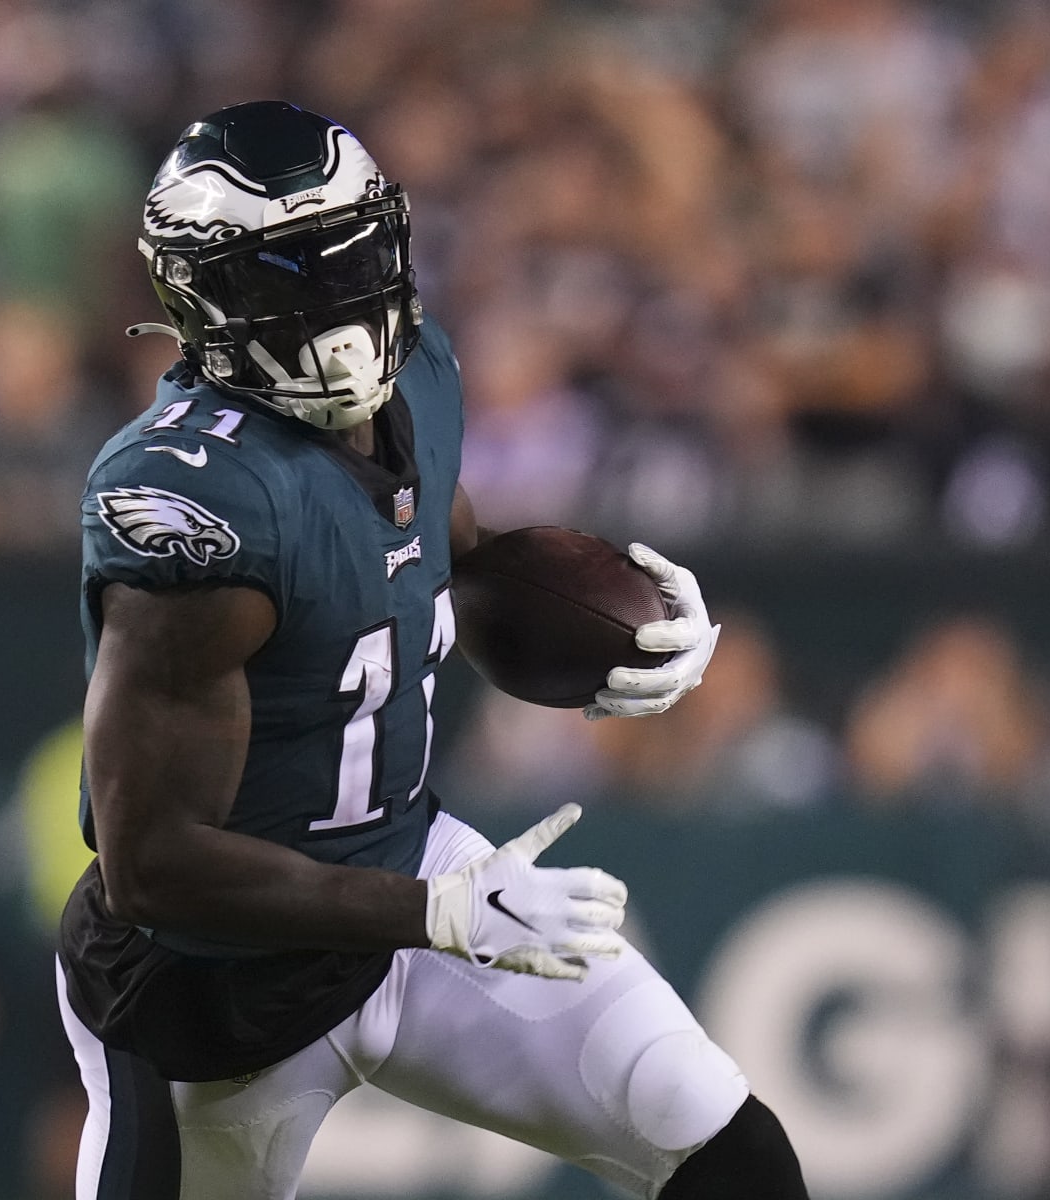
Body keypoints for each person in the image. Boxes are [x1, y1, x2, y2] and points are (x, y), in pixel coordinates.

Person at [56, 101, 808, 1200]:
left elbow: (445, 558)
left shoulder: (420, 380)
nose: (336, 307)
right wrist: (433, 917)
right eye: (285, 280)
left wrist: (620, 628)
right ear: (201, 300)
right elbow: (153, 865)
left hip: (411, 868)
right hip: (210, 1002)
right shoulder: (197, 502)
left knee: (730, 1157)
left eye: (348, 260)